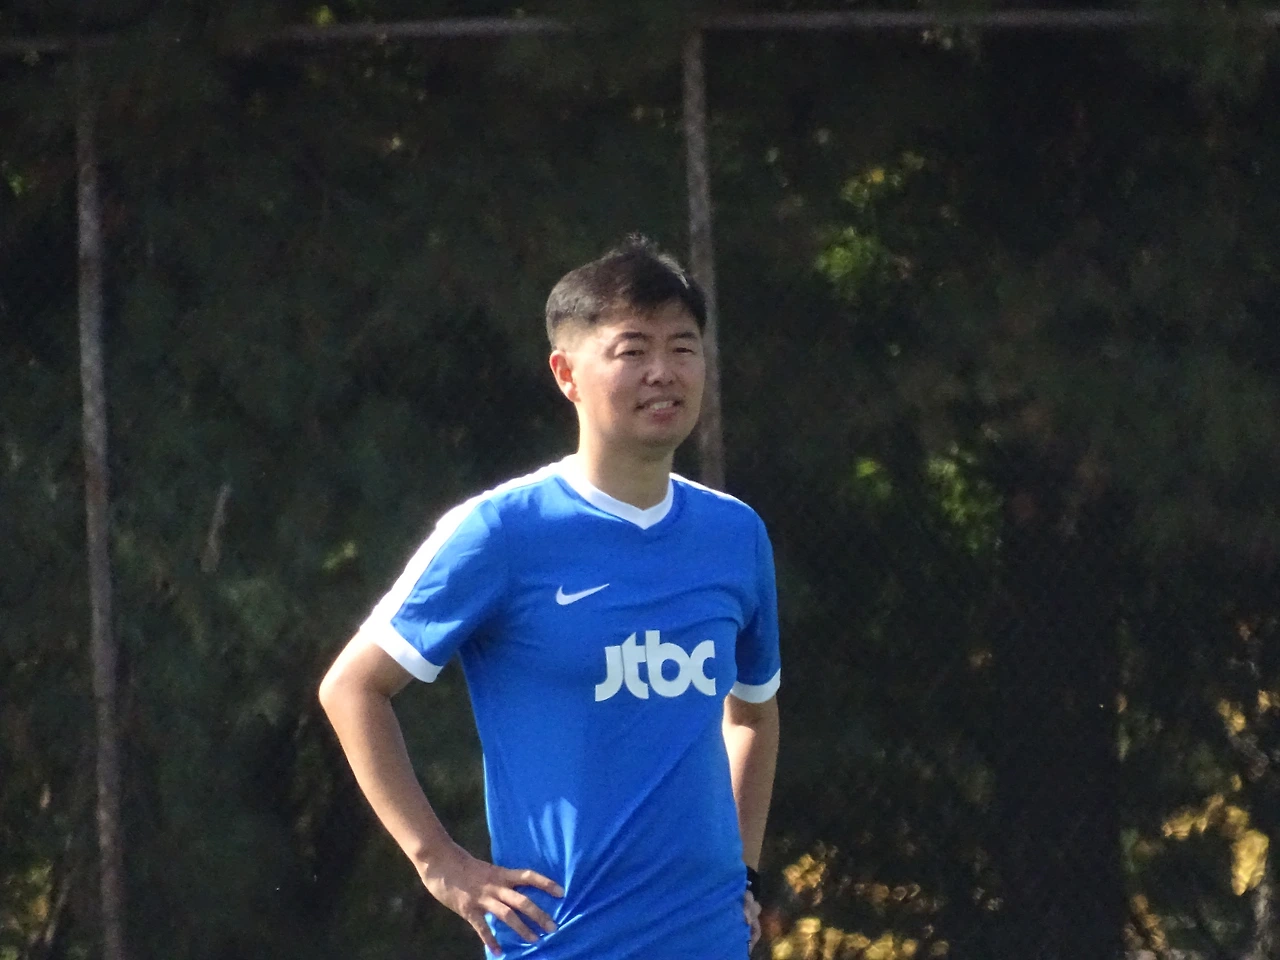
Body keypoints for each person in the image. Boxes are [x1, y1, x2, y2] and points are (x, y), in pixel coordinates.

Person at [319, 235, 781, 959]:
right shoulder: (502, 531)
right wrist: (439, 862)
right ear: (567, 374)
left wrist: (742, 875)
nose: (663, 372)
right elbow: (352, 688)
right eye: (632, 350)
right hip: (558, 944)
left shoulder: (735, 535)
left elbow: (752, 713)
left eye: (683, 347)